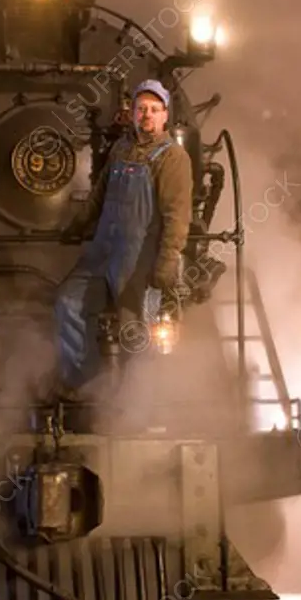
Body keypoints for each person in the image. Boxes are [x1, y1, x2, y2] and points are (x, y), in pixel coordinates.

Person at [53, 78, 193, 400]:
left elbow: (177, 217)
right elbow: (99, 196)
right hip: (102, 252)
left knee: (137, 334)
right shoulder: (121, 149)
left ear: (165, 115)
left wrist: (167, 262)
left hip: (138, 259)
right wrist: (78, 224)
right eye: (141, 109)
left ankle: (137, 409)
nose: (147, 115)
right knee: (68, 303)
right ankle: (85, 388)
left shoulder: (172, 159)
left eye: (154, 110)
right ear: (131, 113)